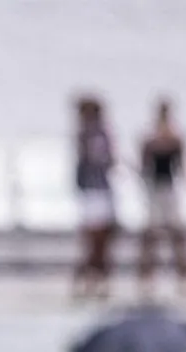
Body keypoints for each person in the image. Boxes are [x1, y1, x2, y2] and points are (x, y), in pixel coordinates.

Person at [137, 97, 186, 300]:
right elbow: (144, 168)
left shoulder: (174, 138)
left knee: (177, 236)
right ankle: (147, 280)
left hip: (170, 189)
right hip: (155, 189)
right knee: (151, 238)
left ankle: (184, 279)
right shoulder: (151, 139)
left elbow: (185, 167)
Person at [72, 96, 118, 301]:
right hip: (92, 192)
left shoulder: (97, 135)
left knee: (100, 241)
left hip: (98, 191)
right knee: (93, 241)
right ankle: (89, 281)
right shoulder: (86, 135)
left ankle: (96, 281)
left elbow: (106, 161)